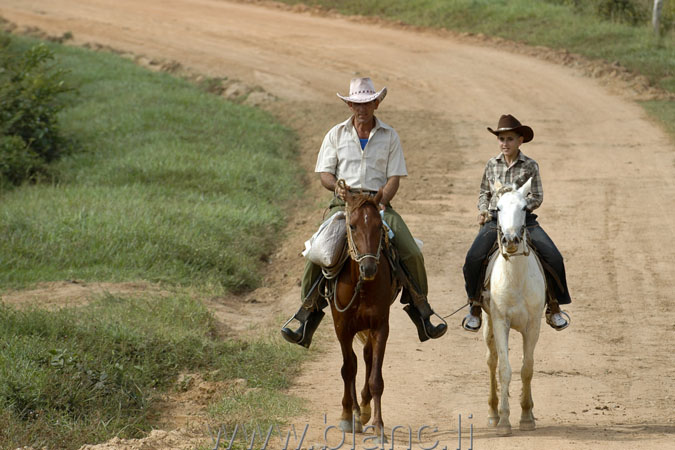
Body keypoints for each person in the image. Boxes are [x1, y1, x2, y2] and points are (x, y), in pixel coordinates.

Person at [281, 77, 447, 348]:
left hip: (378, 203)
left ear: (376, 103)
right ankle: (307, 313)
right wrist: (338, 189)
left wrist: (383, 199)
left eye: (367, 103)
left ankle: (422, 311)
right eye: (356, 103)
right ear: (349, 104)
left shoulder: (390, 136)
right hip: (345, 205)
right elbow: (325, 174)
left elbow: (394, 177)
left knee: (412, 252)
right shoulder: (335, 134)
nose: (362, 108)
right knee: (317, 251)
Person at [462, 114, 571, 332]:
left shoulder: (530, 165)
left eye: (510, 139)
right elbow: (483, 192)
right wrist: (484, 210)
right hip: (495, 220)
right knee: (473, 259)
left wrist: (519, 206)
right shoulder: (491, 165)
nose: (505, 143)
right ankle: (475, 305)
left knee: (554, 257)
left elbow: (537, 196)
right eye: (501, 139)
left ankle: (553, 306)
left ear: (520, 141)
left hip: (524, 221)